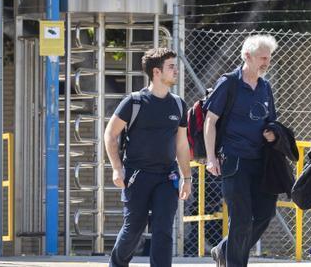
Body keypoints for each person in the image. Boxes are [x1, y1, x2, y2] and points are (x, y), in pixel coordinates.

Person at [103, 47, 192, 267]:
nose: (176, 71)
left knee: (163, 229)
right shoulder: (134, 102)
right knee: (134, 227)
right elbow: (110, 134)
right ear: (156, 72)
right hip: (137, 175)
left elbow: (181, 144)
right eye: (171, 66)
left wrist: (187, 178)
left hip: (167, 176)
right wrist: (116, 168)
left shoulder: (179, 104)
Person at [203, 35, 280, 267]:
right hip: (234, 159)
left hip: (261, 161)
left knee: (265, 214)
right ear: (247, 56)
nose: (267, 62)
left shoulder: (265, 87)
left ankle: (225, 249)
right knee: (241, 219)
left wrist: (273, 133)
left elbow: (272, 121)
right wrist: (210, 158)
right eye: (263, 58)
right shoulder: (229, 83)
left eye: (269, 57)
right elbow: (210, 121)